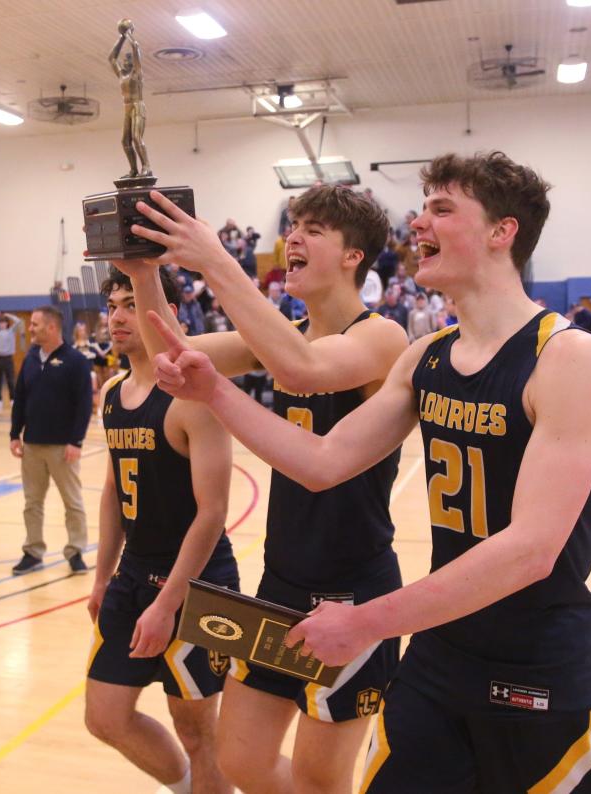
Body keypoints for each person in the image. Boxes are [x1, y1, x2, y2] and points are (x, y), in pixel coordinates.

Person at [152, 151, 591, 793]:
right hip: (437, 656)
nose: (418, 222)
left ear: (501, 231)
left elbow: (530, 552)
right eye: (422, 207)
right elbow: (322, 463)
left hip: (541, 666)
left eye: (440, 209)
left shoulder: (570, 358)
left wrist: (368, 621)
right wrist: (216, 393)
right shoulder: (427, 356)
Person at [121, 184, 408, 794]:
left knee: (319, 778)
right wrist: (145, 273)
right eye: (293, 224)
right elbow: (167, 353)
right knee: (238, 761)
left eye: (314, 229)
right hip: (280, 584)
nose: (293, 237)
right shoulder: (286, 334)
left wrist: (215, 260)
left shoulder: (381, 338)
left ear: (354, 255)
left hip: (352, 593)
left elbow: (302, 367)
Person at [85, 267, 238, 794]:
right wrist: (102, 576)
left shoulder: (193, 398)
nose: (118, 316)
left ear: (166, 313)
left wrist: (169, 602)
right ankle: (189, 786)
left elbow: (212, 512)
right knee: (104, 715)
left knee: (195, 726)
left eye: (130, 303)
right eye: (112, 306)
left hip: (199, 584)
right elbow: (112, 493)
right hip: (135, 573)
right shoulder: (110, 393)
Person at [10, 306, 93, 575]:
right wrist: (14, 434)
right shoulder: (31, 359)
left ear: (52, 327)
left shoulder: (76, 361)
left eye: (34, 324)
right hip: (32, 444)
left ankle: (76, 551)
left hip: (63, 447)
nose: (30, 328)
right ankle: (33, 552)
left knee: (73, 502)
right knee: (32, 502)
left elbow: (83, 405)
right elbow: (20, 398)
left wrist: (76, 441)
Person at [109, 19, 151, 179]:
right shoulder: (122, 75)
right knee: (125, 141)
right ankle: (134, 170)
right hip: (127, 107)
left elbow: (136, 48)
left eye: (129, 61)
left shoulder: (137, 74)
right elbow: (112, 59)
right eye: (125, 61)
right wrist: (120, 38)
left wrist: (128, 34)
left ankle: (146, 166)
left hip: (138, 106)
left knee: (136, 137)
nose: (125, 62)